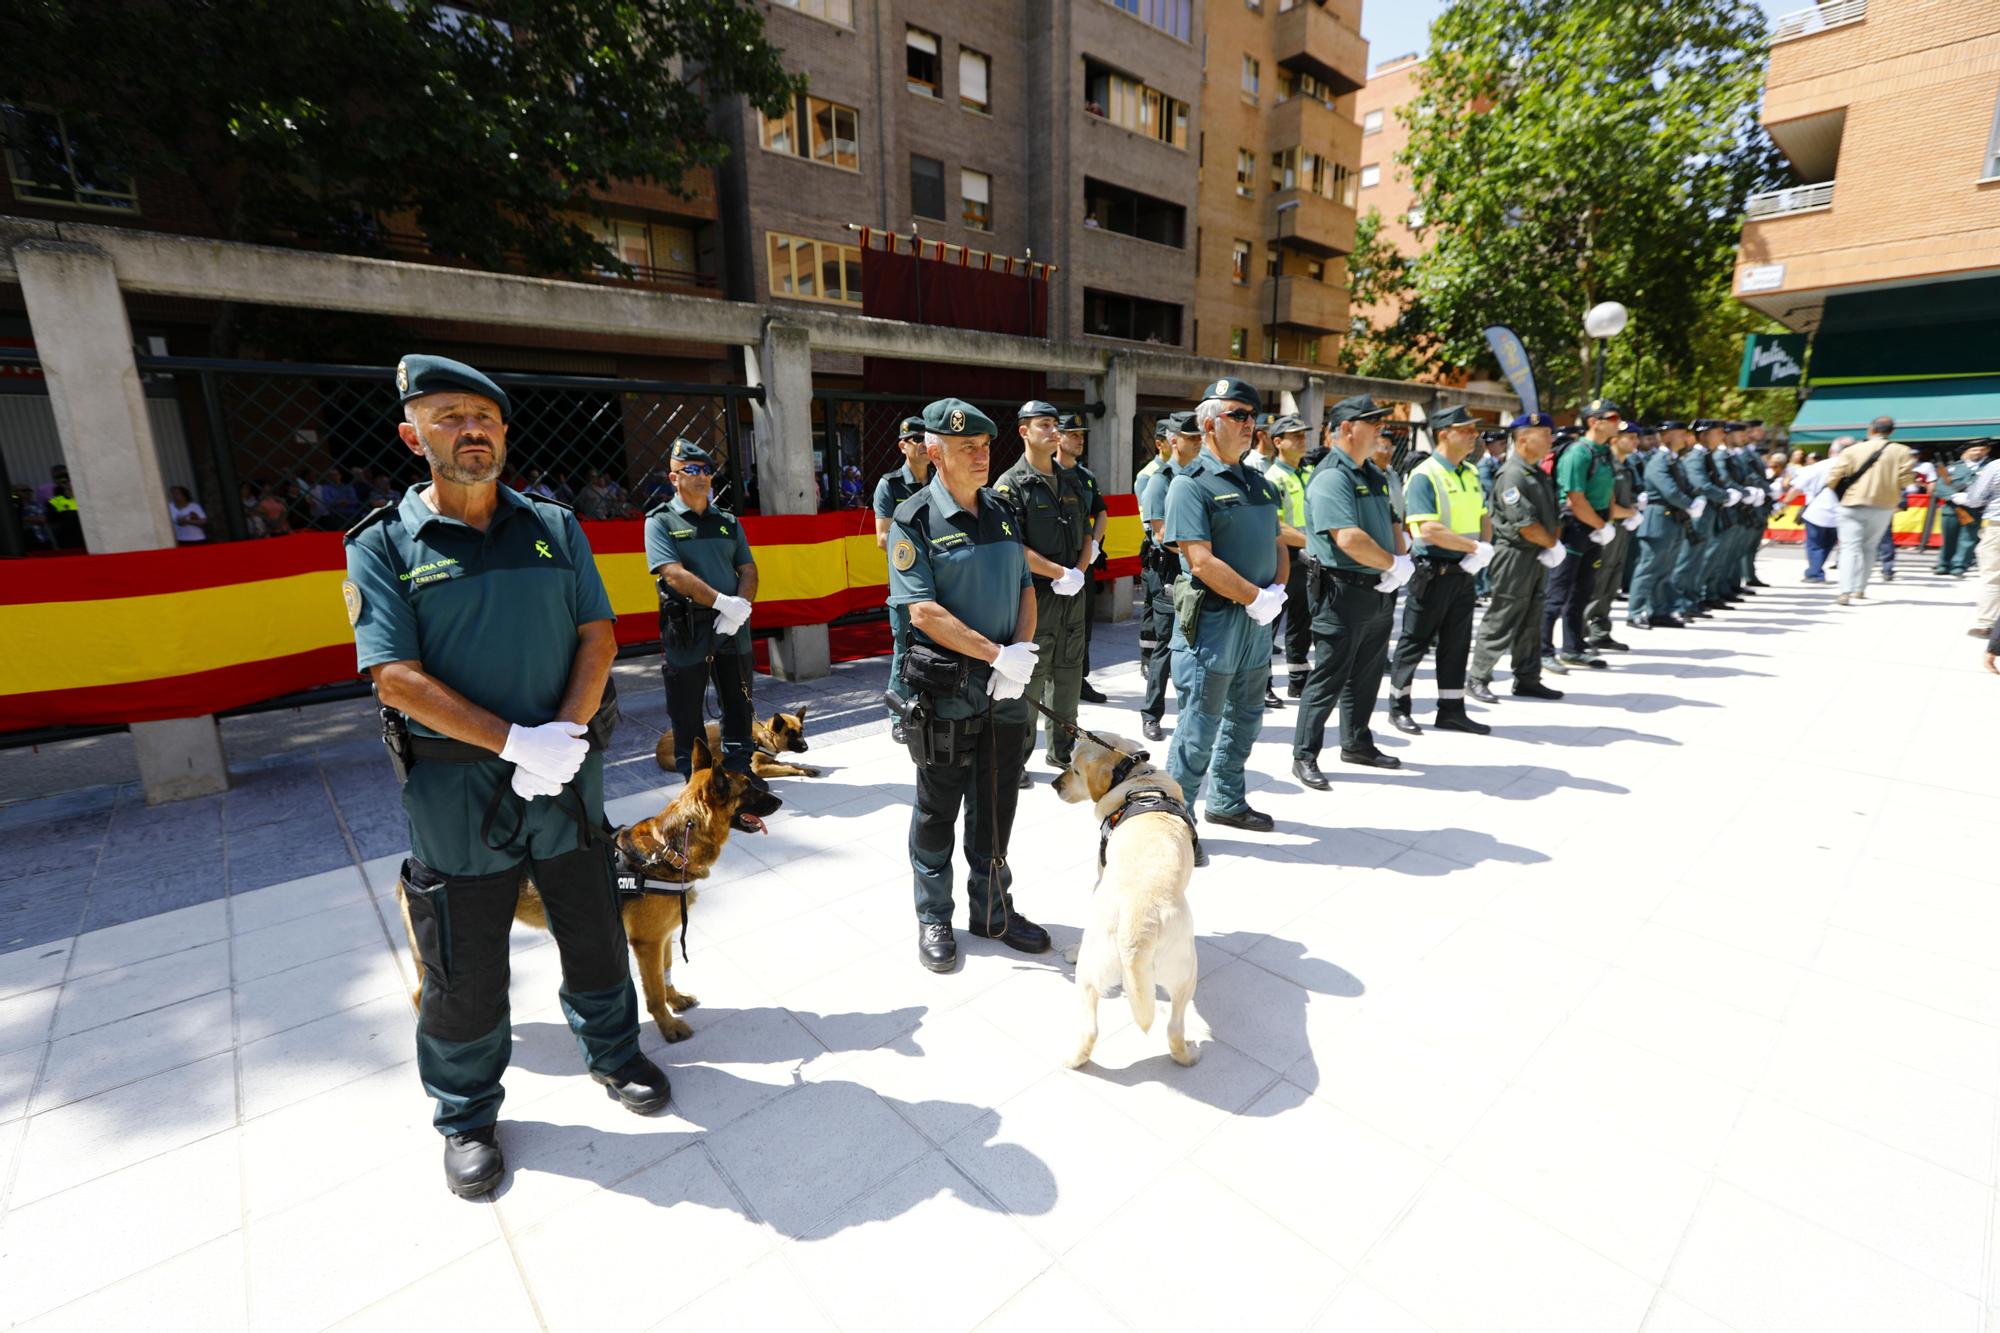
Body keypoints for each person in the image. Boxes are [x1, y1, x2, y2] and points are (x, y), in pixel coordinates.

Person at [343, 354, 665, 1199]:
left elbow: (598, 634)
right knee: (465, 960)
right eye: (448, 416)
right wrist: (514, 742)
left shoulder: (554, 527)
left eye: (484, 416)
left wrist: (557, 737)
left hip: (564, 775)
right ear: (413, 437)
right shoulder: (384, 544)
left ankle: (614, 1051)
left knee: (593, 925)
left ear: (505, 434)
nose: (471, 429)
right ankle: (466, 1111)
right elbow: (395, 677)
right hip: (457, 793)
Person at [884, 397, 1048, 971]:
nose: (981, 458)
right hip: (946, 692)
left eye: (984, 447)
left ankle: (992, 910)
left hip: (1005, 689)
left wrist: (1019, 655)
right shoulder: (913, 519)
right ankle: (934, 916)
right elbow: (922, 612)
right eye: (965, 449)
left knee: (996, 805)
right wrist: (996, 654)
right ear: (935, 452)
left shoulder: (1001, 510)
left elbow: (1026, 587)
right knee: (938, 810)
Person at [1162, 378, 1288, 832]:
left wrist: (1275, 594)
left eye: (1252, 416)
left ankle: (1227, 800)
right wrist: (1256, 597)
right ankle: (1174, 822)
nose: (1249, 423)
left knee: (1246, 719)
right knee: (1199, 729)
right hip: (1215, 623)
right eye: (1238, 414)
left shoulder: (1257, 483)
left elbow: (1278, 544)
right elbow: (1199, 560)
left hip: (1255, 624)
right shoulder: (1190, 485)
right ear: (1210, 423)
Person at [1290, 394, 1406, 788]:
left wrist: (1399, 561)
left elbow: (1392, 523)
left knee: (1369, 672)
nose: (1379, 430)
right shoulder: (1332, 476)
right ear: (1344, 429)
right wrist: (1394, 564)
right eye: (1370, 422)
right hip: (1341, 589)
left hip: (1377, 587)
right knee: (1330, 675)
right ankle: (1304, 754)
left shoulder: (1371, 473)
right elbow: (1348, 539)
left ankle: (1357, 742)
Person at [993, 401, 1095, 783]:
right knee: (1029, 680)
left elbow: (1086, 531)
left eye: (1056, 424)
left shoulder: (1071, 479)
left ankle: (1063, 751)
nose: (1055, 431)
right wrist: (1057, 572)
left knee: (1069, 673)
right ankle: (1015, 758)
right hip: (1035, 596)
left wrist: (1079, 572)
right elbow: (1011, 546)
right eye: (1045, 425)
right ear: (1024, 431)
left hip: (1072, 593)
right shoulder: (1010, 485)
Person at [645, 439, 759, 779]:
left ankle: (740, 773)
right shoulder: (660, 522)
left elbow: (748, 569)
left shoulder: (728, 521)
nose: (701, 476)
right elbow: (673, 573)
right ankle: (696, 777)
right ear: (673, 478)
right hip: (688, 628)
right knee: (687, 711)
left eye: (707, 470)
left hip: (733, 626)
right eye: (690, 470)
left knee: (738, 704)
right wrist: (722, 602)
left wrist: (739, 608)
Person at [1384, 404, 1493, 737]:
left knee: (1457, 643)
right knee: (1415, 640)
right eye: (1467, 429)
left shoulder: (1471, 472)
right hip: (1433, 570)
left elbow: (1483, 517)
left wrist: (1483, 548)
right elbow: (1425, 529)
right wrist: (1475, 548)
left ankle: (1451, 710)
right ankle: (1398, 707)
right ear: (1444, 433)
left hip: (1463, 571)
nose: (1475, 435)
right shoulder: (1425, 474)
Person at [1469, 413, 1567, 701]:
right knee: (1503, 614)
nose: (1551, 439)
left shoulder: (1536, 472)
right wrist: (1552, 545)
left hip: (1537, 553)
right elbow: (1525, 523)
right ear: (1523, 438)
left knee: (1531, 617)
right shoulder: (1512, 474)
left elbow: (1551, 514)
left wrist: (1551, 544)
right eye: (1546, 434)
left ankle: (1527, 677)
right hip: (1515, 554)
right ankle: (1478, 676)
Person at [1541, 400, 1628, 673]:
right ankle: (1542, 650)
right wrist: (1601, 526)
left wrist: (1607, 521)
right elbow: (1575, 499)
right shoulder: (1579, 453)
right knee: (1557, 593)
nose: (1617, 422)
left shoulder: (1603, 452)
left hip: (1595, 527)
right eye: (1611, 417)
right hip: (1575, 529)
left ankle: (1573, 647)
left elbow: (1608, 491)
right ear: (1594, 421)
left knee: (1582, 591)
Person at [1137, 414, 1204, 743]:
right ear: (1174, 440)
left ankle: (1192, 713)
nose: (1197, 443)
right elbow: (1161, 533)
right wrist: (1201, 548)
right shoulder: (1160, 481)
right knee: (1165, 647)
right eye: (1190, 438)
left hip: (1198, 570)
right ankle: (1151, 714)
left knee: (1194, 646)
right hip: (1171, 572)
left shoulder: (1201, 477)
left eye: (1198, 437)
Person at [875, 416, 932, 744]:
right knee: (904, 650)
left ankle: (926, 706)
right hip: (906, 583)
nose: (923, 445)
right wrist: (923, 544)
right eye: (916, 440)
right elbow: (882, 538)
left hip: (939, 581)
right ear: (903, 446)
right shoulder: (890, 484)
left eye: (927, 439)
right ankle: (898, 714)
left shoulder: (941, 479)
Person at [1827, 416, 1916, 605]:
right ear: (1891, 432)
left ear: (1871, 429)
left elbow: (1833, 477)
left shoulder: (1852, 450)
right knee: (1870, 547)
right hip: (1883, 505)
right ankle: (1860, 589)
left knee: (1849, 547)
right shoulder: (1902, 451)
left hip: (1852, 501)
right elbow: (1907, 481)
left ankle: (1845, 591)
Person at [1057, 413, 1112, 705]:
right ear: (1058, 437)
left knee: (1082, 621)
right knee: (1050, 623)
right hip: (1054, 564)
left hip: (1083, 562)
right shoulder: (1048, 471)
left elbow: (1101, 512)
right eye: (1074, 434)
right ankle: (1047, 682)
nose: (1080, 439)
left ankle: (1079, 679)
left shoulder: (1085, 477)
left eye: (1082, 434)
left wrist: (1094, 546)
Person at [1628, 421, 1699, 629]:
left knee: (1665, 569)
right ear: (1666, 436)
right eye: (1679, 434)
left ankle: (1659, 611)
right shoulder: (1660, 461)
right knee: (1648, 568)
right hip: (1658, 519)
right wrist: (1690, 504)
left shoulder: (1674, 460)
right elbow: (1670, 491)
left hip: (1673, 519)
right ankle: (1635, 611)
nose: (1684, 438)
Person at [1583, 419, 1645, 651]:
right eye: (1630, 437)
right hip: (1604, 530)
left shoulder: (1626, 466)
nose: (1635, 442)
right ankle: (1580, 632)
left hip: (1620, 531)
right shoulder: (1606, 465)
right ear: (1615, 440)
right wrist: (1630, 512)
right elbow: (1607, 505)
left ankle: (1600, 630)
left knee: (1613, 580)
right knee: (1597, 581)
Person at [1266, 414, 1315, 699]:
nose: (1302, 440)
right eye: (1295, 436)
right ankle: (1263, 684)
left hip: (1308, 559)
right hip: (1282, 557)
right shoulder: (1273, 478)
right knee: (1270, 625)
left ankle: (1298, 679)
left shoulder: (1307, 474)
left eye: (1303, 434)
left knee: (1302, 622)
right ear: (1278, 442)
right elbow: (1277, 527)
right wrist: (1315, 541)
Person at [1675, 420, 1734, 615]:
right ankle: (1679, 603)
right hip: (1698, 515)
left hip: (1708, 514)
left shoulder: (1705, 456)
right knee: (1688, 560)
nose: (1722, 436)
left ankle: (1691, 601)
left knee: (1698, 560)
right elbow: (1701, 485)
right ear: (1704, 435)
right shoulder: (1696, 458)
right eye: (1717, 433)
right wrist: (1725, 496)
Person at [1794, 440, 1847, 582]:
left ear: (1831, 451)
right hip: (1841, 512)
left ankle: (1814, 572)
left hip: (1817, 510)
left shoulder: (1819, 466)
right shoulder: (1852, 467)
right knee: (1828, 544)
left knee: (1815, 544)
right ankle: (1815, 570)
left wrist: (1784, 502)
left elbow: (1797, 485)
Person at [1934, 443, 1988, 576]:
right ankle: (1944, 563)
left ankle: (1960, 565)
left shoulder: (1989, 468)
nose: (1978, 452)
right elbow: (1939, 486)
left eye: (1981, 450)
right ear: (1966, 452)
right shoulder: (1953, 468)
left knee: (1967, 538)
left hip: (1973, 508)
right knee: (1948, 537)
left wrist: (1974, 498)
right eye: (1974, 449)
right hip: (1952, 507)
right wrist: (1952, 496)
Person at [44, 475, 83, 550]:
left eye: (69, 481)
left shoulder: (84, 498)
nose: (68, 484)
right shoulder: (55, 502)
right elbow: (51, 521)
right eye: (64, 482)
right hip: (69, 541)